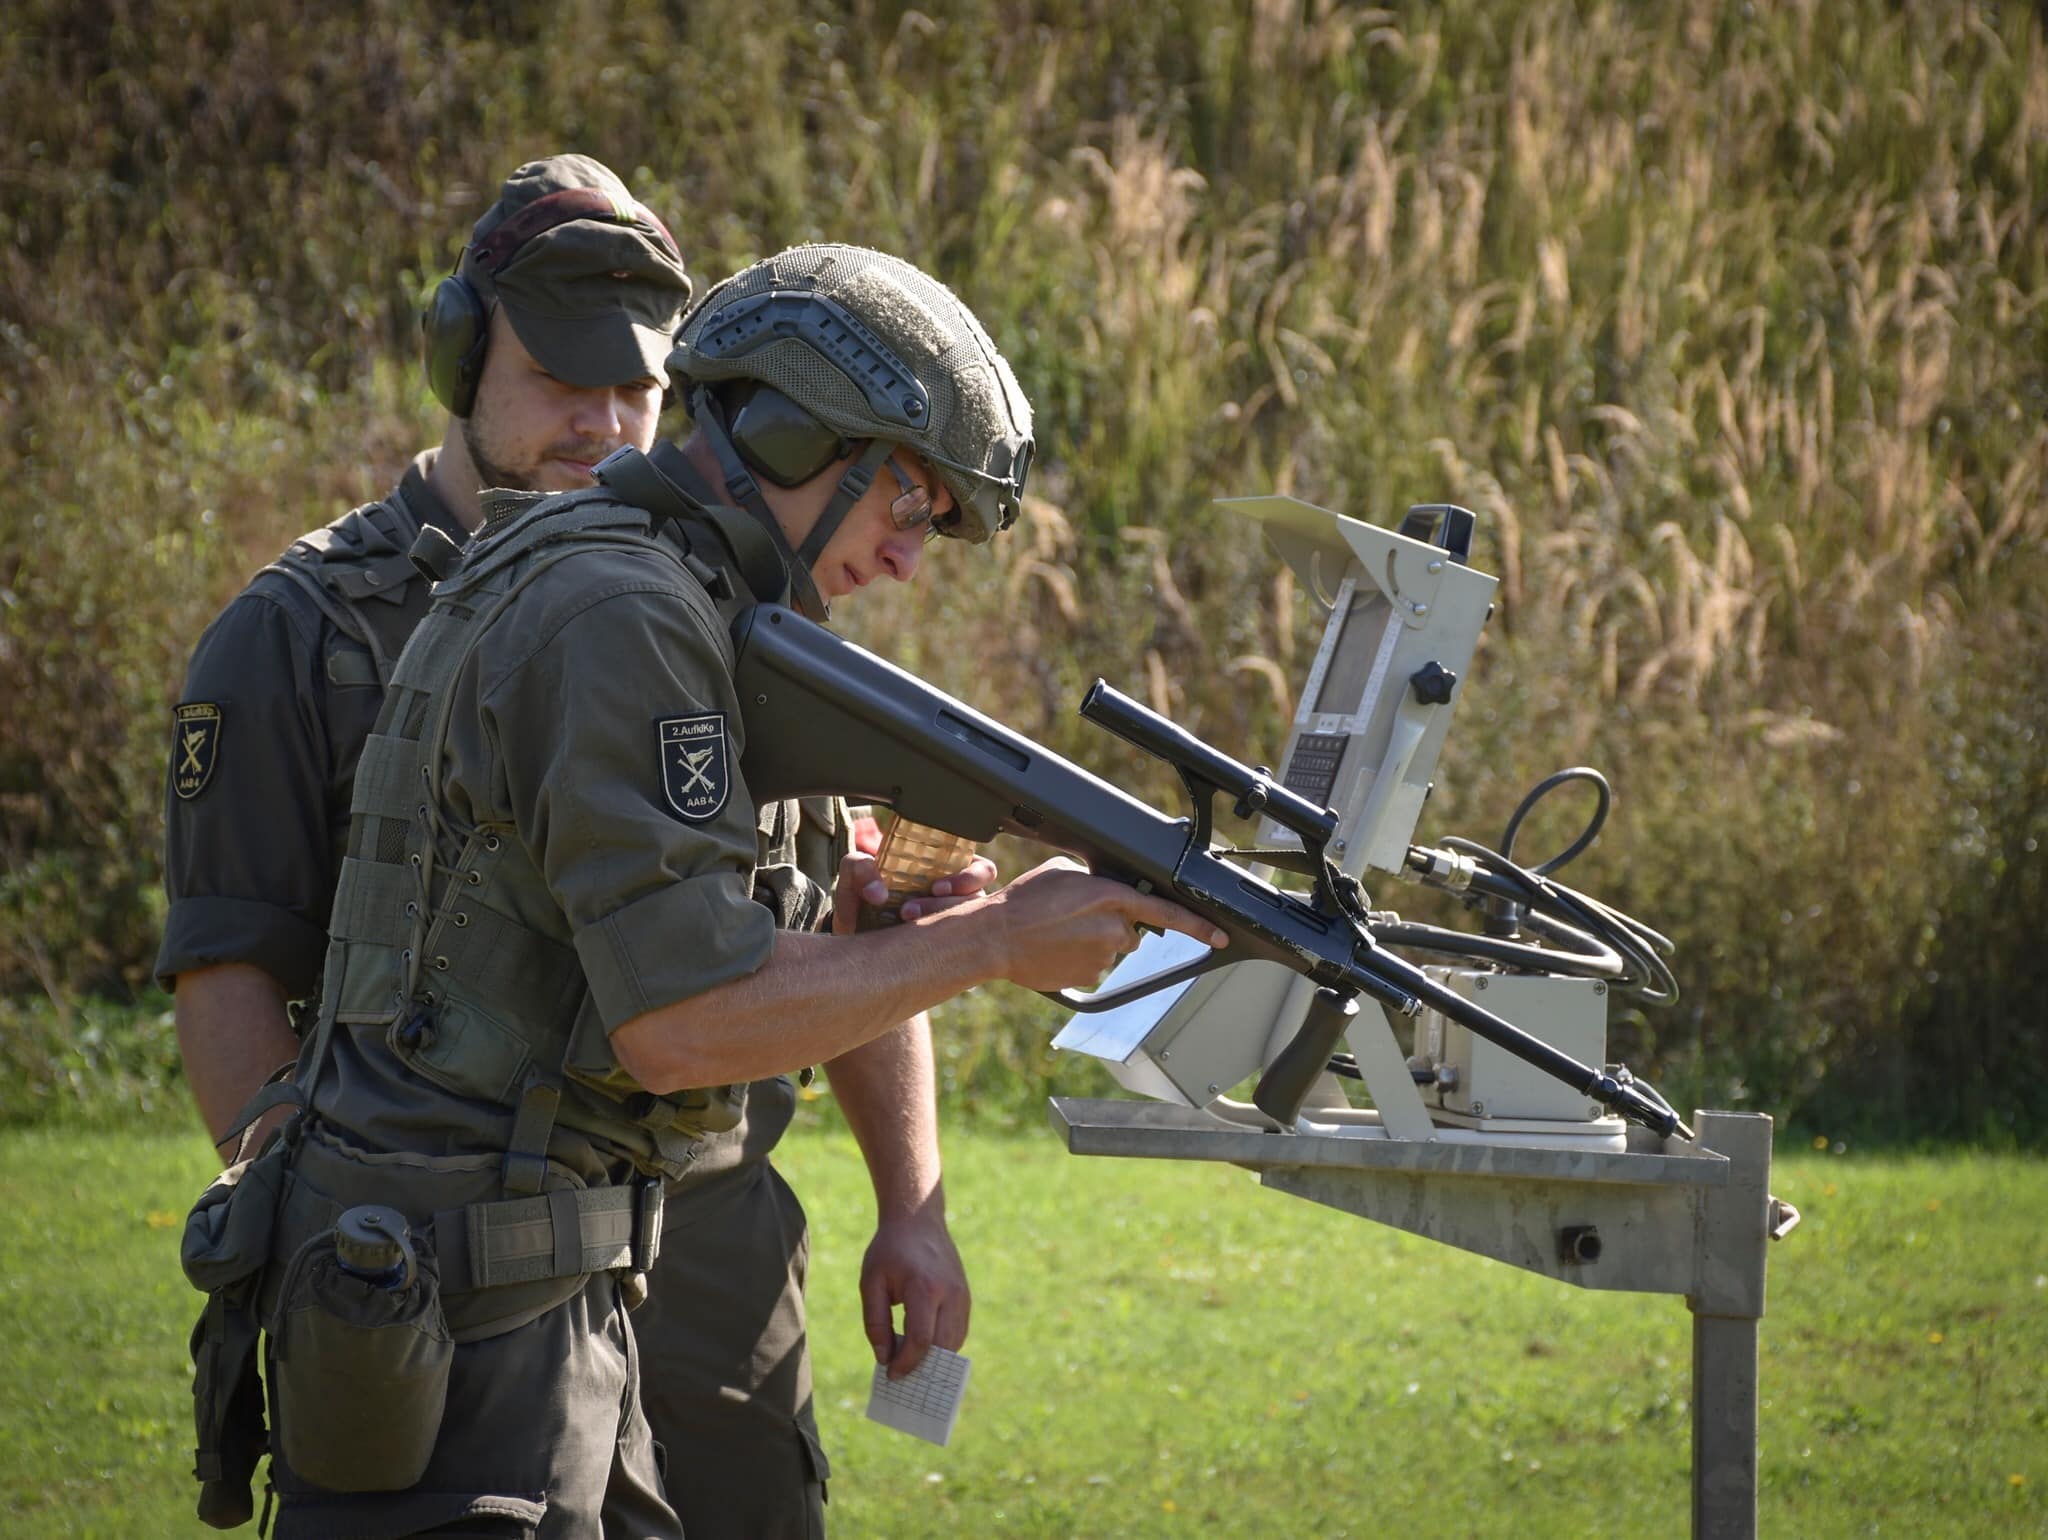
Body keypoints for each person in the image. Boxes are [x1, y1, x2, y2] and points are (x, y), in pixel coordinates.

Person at [200, 241, 1223, 1538]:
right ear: (796, 435)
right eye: (907, 502)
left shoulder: (669, 594)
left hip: (546, 1296)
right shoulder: (622, 610)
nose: (911, 558)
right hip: (471, 1325)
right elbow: (681, 1020)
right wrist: (998, 944)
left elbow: (695, 939)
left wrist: (898, 939)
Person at [163, 159, 973, 1537]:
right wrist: (341, 1228)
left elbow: (837, 915)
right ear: (460, 358)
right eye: (556, 378)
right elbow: (233, 973)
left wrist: (915, 1198)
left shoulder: (737, 618)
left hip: (704, 1233)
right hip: (466, 1250)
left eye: (637, 390)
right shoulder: (304, 627)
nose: (599, 422)